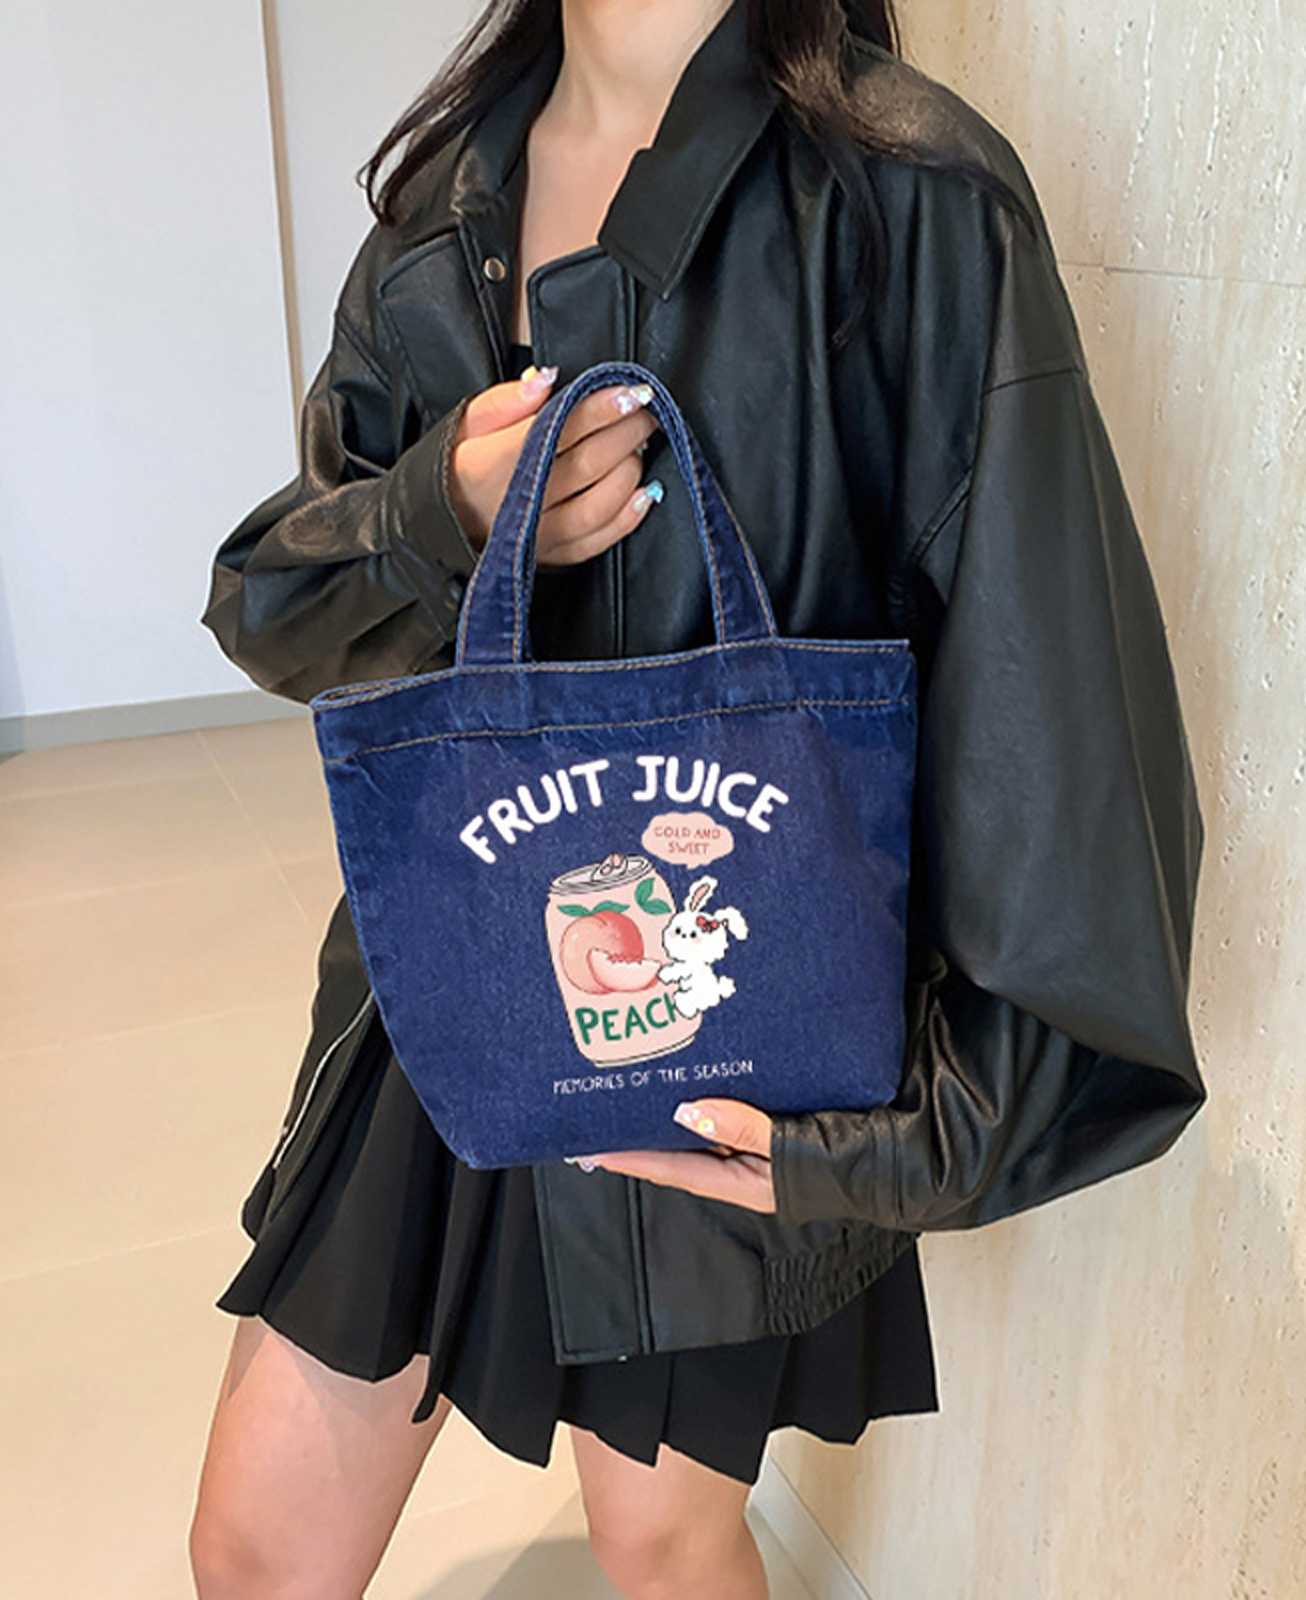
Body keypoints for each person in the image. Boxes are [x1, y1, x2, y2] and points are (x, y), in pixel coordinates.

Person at [190, 1, 1206, 1596]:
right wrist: (444, 511)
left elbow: (1047, 711)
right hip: (450, 981)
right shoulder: (446, 196)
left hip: (725, 1014)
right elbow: (276, 606)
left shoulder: (906, 191)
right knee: (256, 1547)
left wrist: (911, 1133)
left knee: (663, 1545)